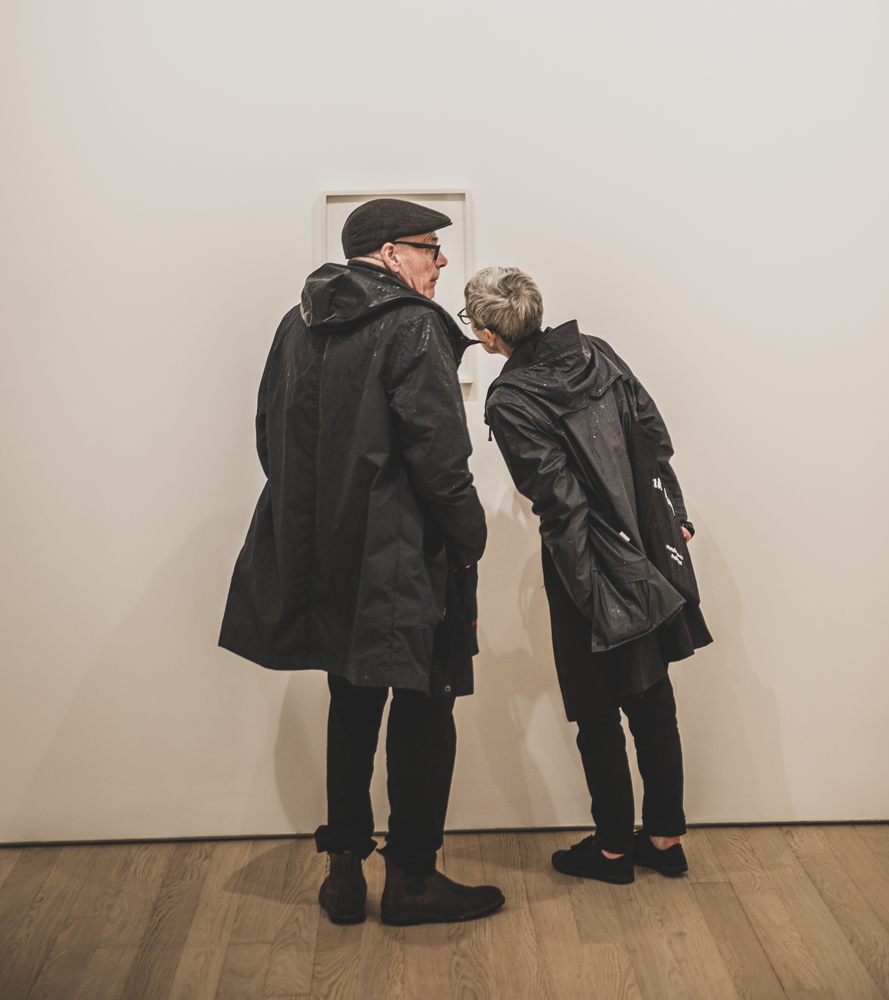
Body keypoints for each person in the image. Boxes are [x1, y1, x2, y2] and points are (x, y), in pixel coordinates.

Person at [220, 199, 504, 925]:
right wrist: (469, 536)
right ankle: (412, 881)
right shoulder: (411, 327)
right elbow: (440, 460)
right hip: (401, 561)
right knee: (423, 710)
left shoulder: (298, 323)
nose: (442, 263)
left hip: (327, 559)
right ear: (386, 253)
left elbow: (267, 433)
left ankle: (343, 871)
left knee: (350, 703)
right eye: (429, 249)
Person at [463, 266, 712, 885]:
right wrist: (669, 519)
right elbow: (654, 439)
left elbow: (562, 501)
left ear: (492, 335)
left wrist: (588, 589)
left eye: (475, 324)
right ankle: (664, 839)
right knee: (652, 699)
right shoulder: (595, 353)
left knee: (598, 708)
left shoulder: (511, 399)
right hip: (646, 550)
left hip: (589, 563)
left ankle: (611, 852)